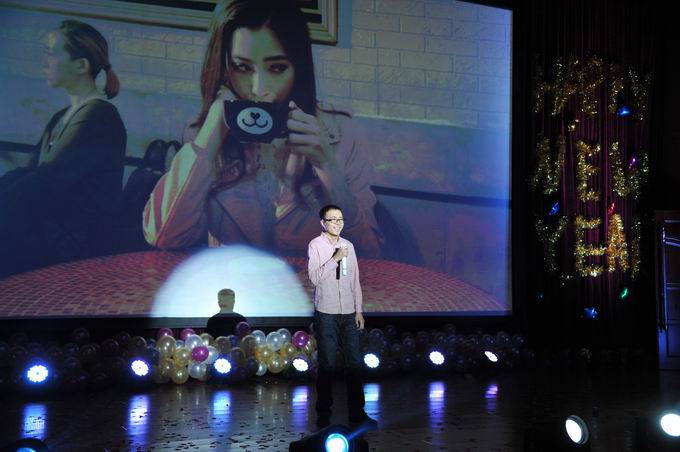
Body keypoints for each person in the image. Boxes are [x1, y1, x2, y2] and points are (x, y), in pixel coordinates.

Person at [143, 0, 383, 258]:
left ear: (298, 68)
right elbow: (164, 237)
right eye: (243, 67)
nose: (259, 89)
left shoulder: (341, 134)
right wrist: (210, 138)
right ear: (224, 69)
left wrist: (327, 167)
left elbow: (368, 255)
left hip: (312, 282)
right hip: (232, 282)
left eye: (277, 68)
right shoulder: (208, 133)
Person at [0, 20, 126, 278]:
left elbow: (44, 181)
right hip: (50, 237)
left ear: (81, 66)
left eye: (51, 53)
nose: (44, 62)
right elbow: (28, 173)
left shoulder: (98, 117)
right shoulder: (63, 116)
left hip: (73, 252)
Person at [308, 204, 378, 430]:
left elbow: (354, 279)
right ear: (323, 223)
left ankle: (358, 413)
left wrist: (358, 310)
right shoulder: (316, 245)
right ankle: (323, 415)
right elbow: (314, 278)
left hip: (348, 313)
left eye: (340, 219)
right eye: (333, 219)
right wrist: (336, 258)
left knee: (355, 364)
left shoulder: (349, 245)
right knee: (327, 365)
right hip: (326, 313)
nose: (338, 223)